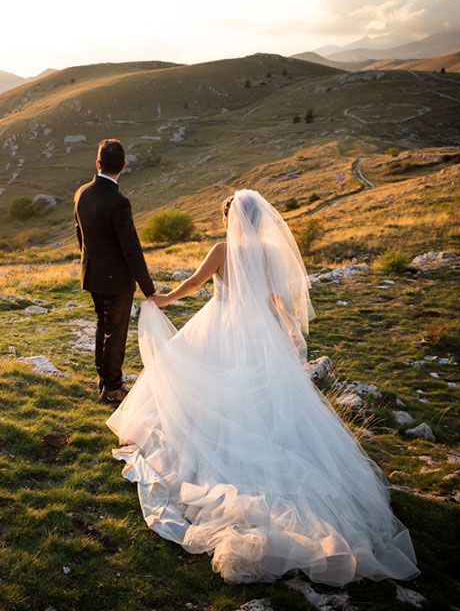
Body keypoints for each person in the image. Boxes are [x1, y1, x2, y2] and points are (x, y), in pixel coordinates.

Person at [107, 189, 419, 585]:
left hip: (219, 325)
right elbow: (278, 296)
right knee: (263, 399)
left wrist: (162, 298)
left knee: (203, 386)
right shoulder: (270, 252)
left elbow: (194, 283)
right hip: (257, 333)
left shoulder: (221, 250)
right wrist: (289, 326)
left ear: (229, 218)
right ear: (259, 218)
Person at [74, 139, 158, 403]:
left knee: (102, 325)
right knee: (116, 332)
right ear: (123, 166)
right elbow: (131, 249)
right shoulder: (119, 202)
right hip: (117, 280)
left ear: (98, 164)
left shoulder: (81, 193)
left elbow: (80, 234)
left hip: (92, 274)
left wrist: (91, 261)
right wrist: (149, 289)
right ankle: (112, 389)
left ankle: (103, 378)